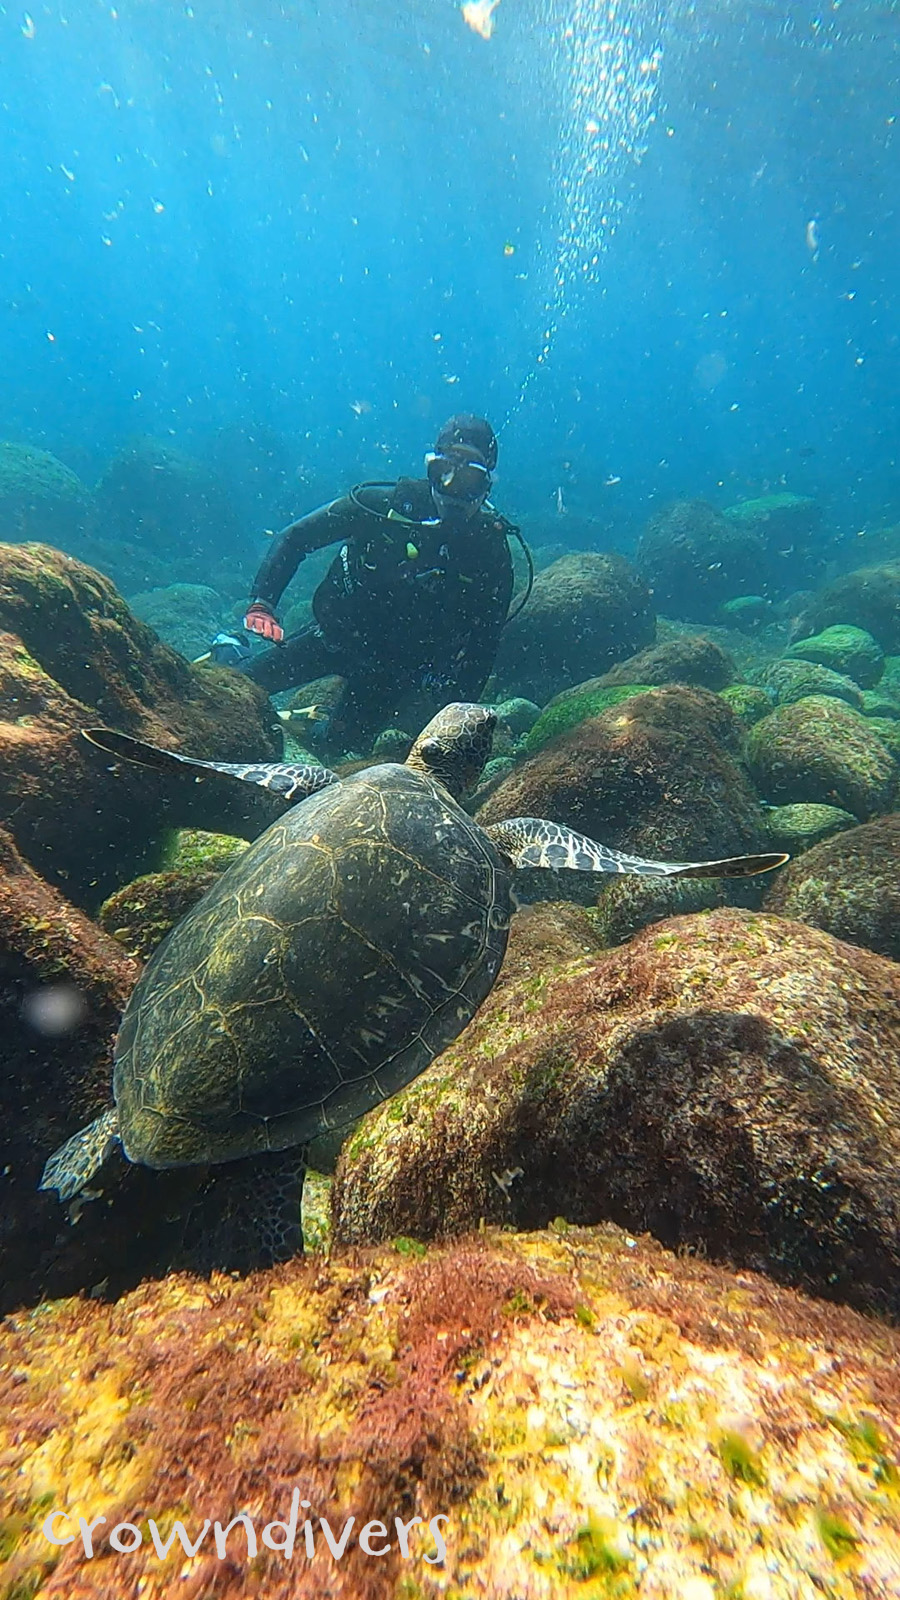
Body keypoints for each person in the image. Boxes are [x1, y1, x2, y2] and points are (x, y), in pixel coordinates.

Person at [227, 414, 527, 749]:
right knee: (235, 689)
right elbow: (296, 537)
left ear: (486, 486)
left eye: (469, 478)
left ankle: (305, 724)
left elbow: (484, 642)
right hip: (333, 636)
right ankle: (229, 649)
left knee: (339, 747)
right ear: (430, 469)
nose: (452, 492)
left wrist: (457, 717)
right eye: (444, 472)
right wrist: (263, 604)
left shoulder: (490, 552)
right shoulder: (381, 507)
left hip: (390, 673)